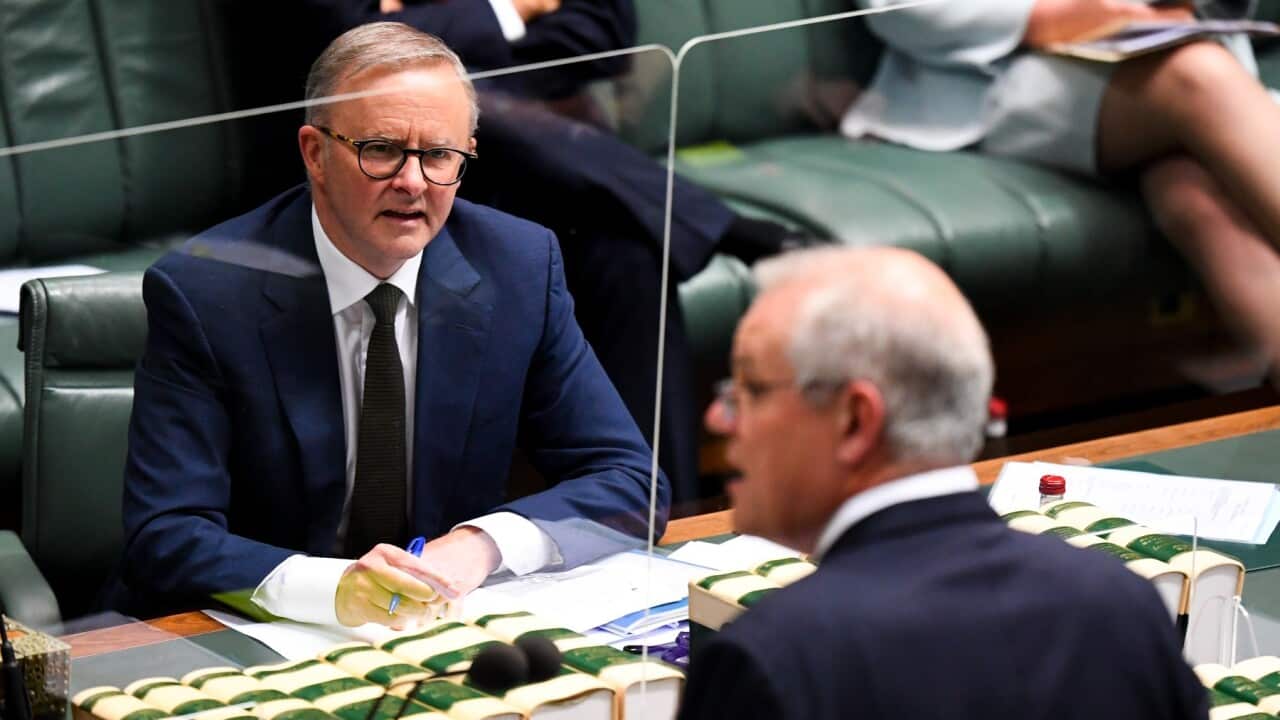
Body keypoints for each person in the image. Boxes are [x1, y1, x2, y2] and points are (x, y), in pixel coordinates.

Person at [111, 22, 667, 629]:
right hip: (265, 636)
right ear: (314, 153)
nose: (412, 182)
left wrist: (481, 544)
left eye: (438, 155)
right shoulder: (206, 293)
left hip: (438, 629)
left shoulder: (518, 267)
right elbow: (164, 536)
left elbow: (632, 481)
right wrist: (334, 589)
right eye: (381, 150)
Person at [222, 0, 810, 503]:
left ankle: (665, 529)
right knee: (425, 113)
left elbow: (603, 33)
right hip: (369, 161)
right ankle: (713, 221)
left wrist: (462, 78)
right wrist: (513, 9)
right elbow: (346, 52)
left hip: (507, 158)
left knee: (629, 256)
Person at [676, 246, 1206, 720]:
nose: (719, 419)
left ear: (855, 421)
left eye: (751, 387)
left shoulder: (771, 661)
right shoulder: (1121, 605)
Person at [845, 0, 1280, 384]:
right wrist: (1045, 15)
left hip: (1160, 39)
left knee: (1193, 195)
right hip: (991, 77)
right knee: (1199, 77)